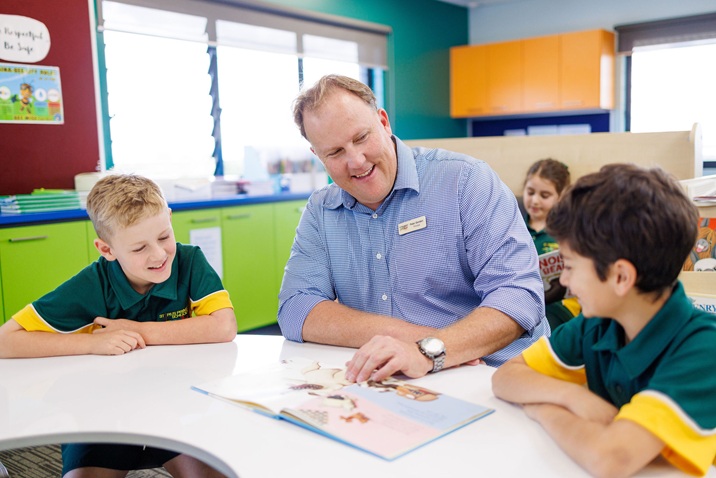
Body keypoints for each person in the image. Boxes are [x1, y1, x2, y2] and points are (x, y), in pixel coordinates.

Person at [278, 74, 548, 384]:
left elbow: (519, 295)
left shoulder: (466, 181)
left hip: (495, 375)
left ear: (383, 122)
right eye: (335, 153)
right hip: (397, 381)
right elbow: (296, 308)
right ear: (318, 156)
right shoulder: (320, 211)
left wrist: (431, 350)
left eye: (361, 138)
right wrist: (424, 343)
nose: (356, 161)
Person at [0, 174, 237, 477]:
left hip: (174, 408)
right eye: (139, 248)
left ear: (170, 218)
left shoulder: (190, 261)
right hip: (99, 418)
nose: (159, 254)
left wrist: (136, 330)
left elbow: (223, 326)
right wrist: (92, 343)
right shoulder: (92, 284)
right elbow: (5, 340)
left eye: (164, 236)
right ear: (107, 250)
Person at [492, 163, 716, 477]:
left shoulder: (704, 347)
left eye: (569, 265)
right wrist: (571, 396)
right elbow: (505, 377)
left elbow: (609, 459)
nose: (565, 281)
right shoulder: (599, 324)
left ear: (621, 277)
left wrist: (544, 409)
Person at [521, 158, 581, 329]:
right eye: (530, 192)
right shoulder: (514, 227)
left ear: (561, 196)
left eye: (544, 195)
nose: (535, 201)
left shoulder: (568, 230)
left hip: (560, 307)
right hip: (524, 303)